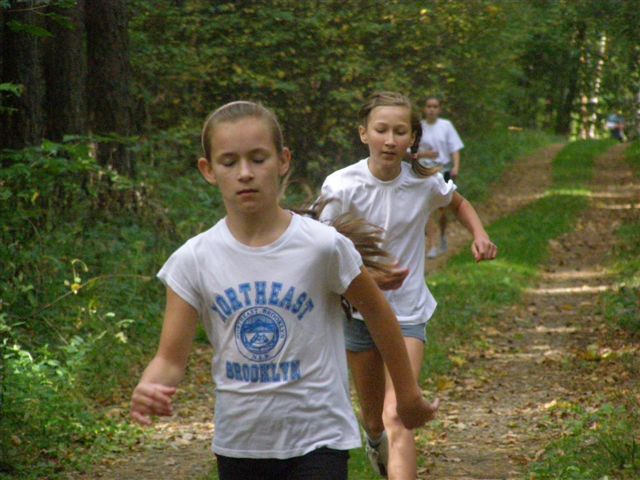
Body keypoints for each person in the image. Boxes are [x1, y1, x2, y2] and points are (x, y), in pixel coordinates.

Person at [130, 100, 439, 480]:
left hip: (320, 438)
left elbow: (377, 312)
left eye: (258, 159)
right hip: (241, 443)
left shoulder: (323, 247)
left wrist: (407, 394)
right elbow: (170, 359)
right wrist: (151, 384)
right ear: (208, 170)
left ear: (283, 161)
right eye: (229, 162)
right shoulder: (192, 259)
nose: (245, 173)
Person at [320, 91, 497, 479]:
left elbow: (458, 202)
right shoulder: (341, 185)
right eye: (381, 130)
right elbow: (322, 252)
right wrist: (371, 279)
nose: (390, 140)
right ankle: (375, 444)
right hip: (358, 312)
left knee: (398, 414)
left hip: (408, 311)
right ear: (363, 133)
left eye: (400, 132)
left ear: (412, 138)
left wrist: (479, 234)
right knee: (373, 420)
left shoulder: (424, 180)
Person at [415, 96, 464, 258]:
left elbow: (455, 148)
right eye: (429, 106)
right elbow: (410, 152)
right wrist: (424, 155)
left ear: (439, 109)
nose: (431, 109)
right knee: (427, 208)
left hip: (443, 169)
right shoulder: (419, 127)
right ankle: (432, 245)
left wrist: (456, 167)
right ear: (424, 109)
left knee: (442, 209)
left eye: (435, 106)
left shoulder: (446, 126)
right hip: (424, 170)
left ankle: (442, 236)